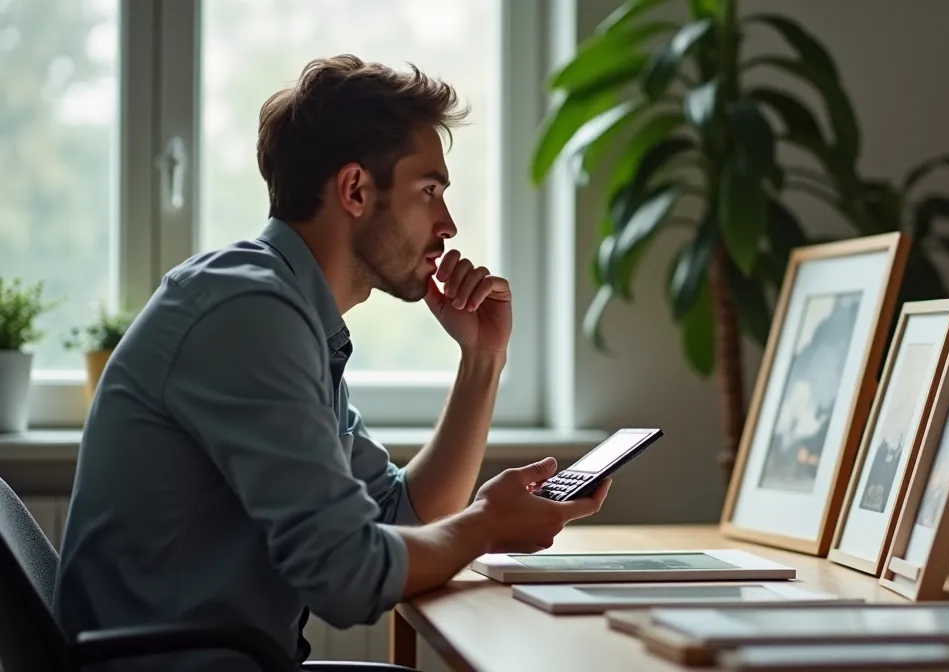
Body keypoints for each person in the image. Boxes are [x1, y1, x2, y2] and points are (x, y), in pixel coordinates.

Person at [53, 54, 610, 671]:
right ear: (355, 190)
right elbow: (349, 578)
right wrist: (486, 525)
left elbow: (402, 516)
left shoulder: (288, 312)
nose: (448, 224)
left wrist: (483, 358)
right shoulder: (248, 313)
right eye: (429, 192)